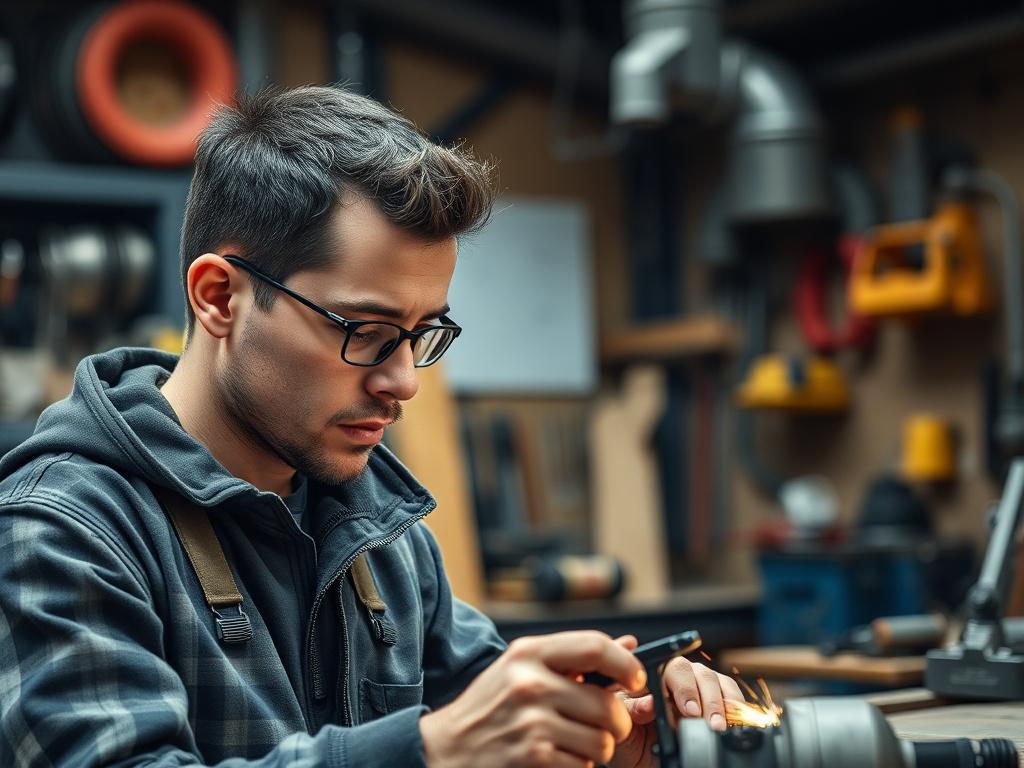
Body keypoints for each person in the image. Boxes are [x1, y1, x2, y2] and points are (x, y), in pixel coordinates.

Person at [0, 86, 740, 768]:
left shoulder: (377, 525)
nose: (404, 382)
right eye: (365, 329)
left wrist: (611, 723)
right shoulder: (61, 530)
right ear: (219, 297)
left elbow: (483, 703)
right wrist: (426, 752)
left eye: (422, 333)